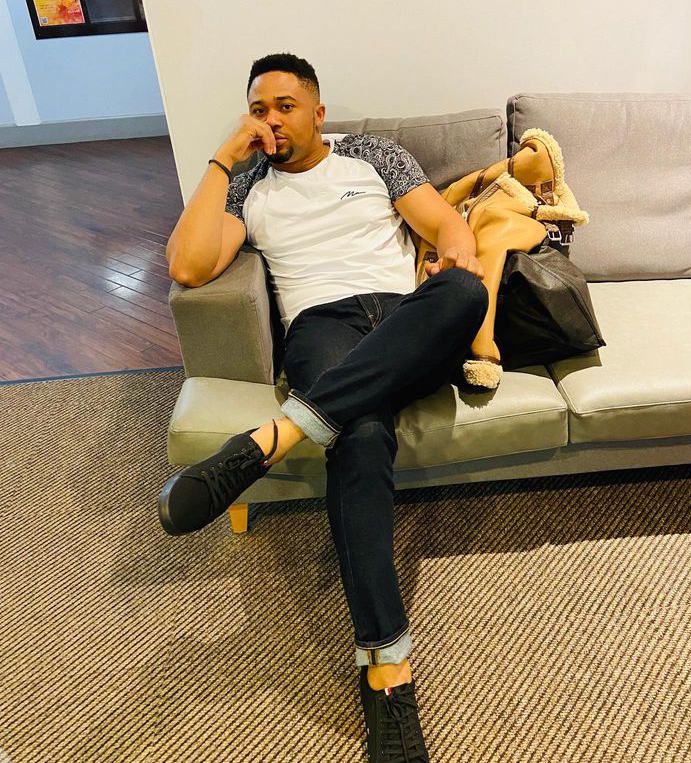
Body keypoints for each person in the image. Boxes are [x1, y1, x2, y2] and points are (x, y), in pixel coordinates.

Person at [159, 51, 488, 763]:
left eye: (284, 106)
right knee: (360, 438)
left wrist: (452, 254)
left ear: (318, 111)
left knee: (466, 292)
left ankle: (278, 435)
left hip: (406, 319)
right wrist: (222, 158)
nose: (271, 120)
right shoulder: (248, 185)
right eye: (258, 109)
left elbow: (446, 225)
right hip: (323, 329)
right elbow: (187, 265)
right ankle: (388, 671)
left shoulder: (373, 155)